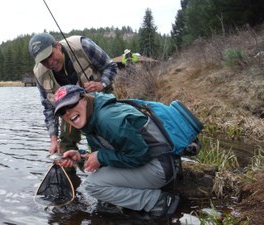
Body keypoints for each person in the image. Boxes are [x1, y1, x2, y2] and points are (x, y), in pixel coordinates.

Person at [53, 84, 180, 220]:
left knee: (92, 186)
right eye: (62, 111)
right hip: (158, 161)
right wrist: (80, 157)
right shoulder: (93, 114)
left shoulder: (107, 119)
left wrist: (101, 157)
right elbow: (109, 150)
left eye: (71, 104)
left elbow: (140, 155)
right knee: (99, 173)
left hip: (160, 167)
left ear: (83, 99)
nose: (67, 112)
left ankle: (157, 201)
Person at [28, 33, 117, 171]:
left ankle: (110, 168)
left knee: (107, 140)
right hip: (69, 108)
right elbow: (48, 108)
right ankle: (74, 177)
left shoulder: (82, 46)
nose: (49, 62)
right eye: (44, 60)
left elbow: (111, 66)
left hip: (99, 99)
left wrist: (102, 84)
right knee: (65, 149)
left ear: (58, 46)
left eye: (50, 55)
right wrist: (53, 139)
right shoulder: (39, 73)